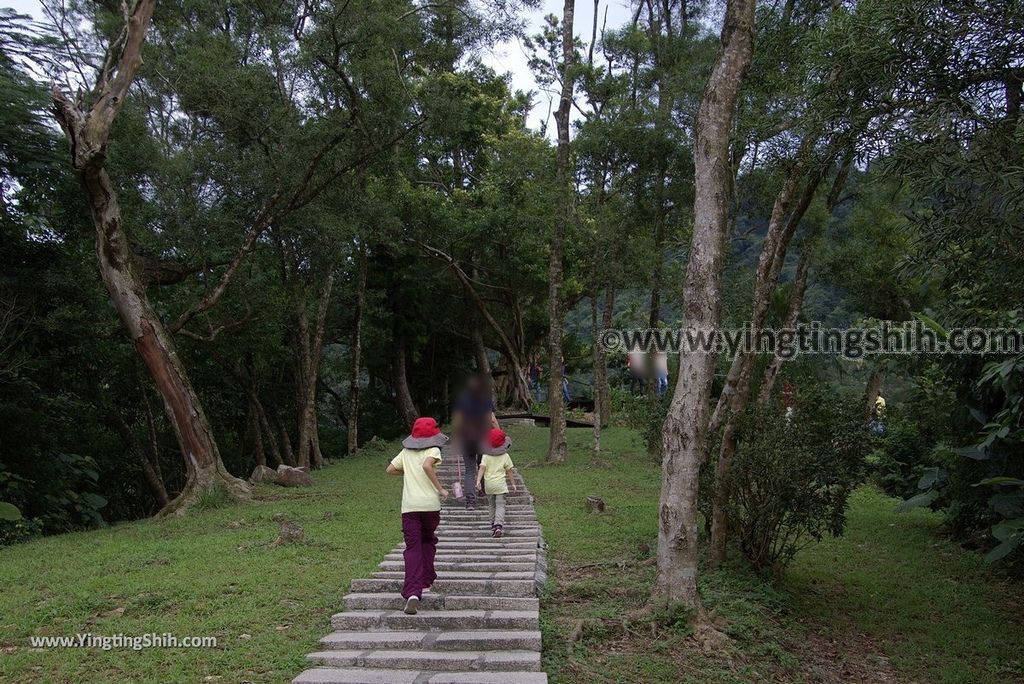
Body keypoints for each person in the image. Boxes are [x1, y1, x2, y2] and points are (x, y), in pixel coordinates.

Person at [385, 417, 449, 614]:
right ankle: (426, 579)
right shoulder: (433, 450)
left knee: (413, 548)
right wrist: (441, 490)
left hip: (409, 507)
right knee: (428, 540)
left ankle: (413, 592)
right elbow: (427, 466)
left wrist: (408, 473)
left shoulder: (405, 452)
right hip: (429, 505)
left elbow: (390, 469)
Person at [452, 375, 499, 509]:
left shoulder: (462, 401)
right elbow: (492, 420)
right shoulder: (485, 401)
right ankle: (484, 491)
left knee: (469, 470)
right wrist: (500, 434)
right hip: (483, 437)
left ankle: (470, 502)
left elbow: (457, 421)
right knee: (484, 465)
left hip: (467, 439)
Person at [476, 428, 517, 538]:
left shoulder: (485, 456)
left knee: (491, 505)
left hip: (489, 485)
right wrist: (513, 484)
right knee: (500, 505)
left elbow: (481, 468)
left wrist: (478, 480)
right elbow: (509, 471)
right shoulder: (505, 456)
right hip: (500, 485)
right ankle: (498, 525)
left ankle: (492, 524)